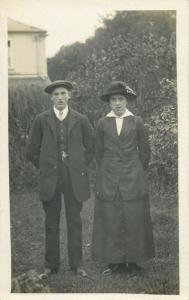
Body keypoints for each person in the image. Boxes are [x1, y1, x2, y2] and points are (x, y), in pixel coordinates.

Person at [26, 80, 94, 278]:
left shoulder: (80, 119)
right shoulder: (41, 119)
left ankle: (77, 265)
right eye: (56, 94)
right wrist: (46, 167)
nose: (60, 97)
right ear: (51, 98)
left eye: (63, 93)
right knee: (51, 223)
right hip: (50, 180)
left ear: (69, 96)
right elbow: (31, 151)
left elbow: (91, 147)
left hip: (74, 179)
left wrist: (79, 165)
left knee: (75, 222)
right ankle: (50, 266)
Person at [92, 81, 155, 277]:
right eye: (113, 100)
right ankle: (115, 261)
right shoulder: (102, 123)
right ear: (109, 103)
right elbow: (98, 152)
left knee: (134, 217)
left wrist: (136, 169)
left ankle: (134, 261)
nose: (117, 103)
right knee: (110, 217)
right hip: (109, 177)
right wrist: (107, 169)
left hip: (133, 175)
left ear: (126, 101)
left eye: (121, 99)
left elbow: (145, 152)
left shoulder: (137, 121)